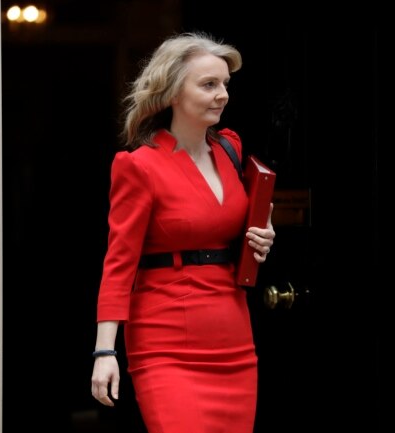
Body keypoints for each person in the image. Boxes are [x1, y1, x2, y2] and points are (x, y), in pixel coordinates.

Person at [90, 32, 275, 433]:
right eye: (208, 84)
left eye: (225, 84)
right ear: (173, 92)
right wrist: (105, 349)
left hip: (232, 336)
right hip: (166, 343)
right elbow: (119, 263)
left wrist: (262, 233)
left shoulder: (230, 148)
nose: (222, 94)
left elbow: (230, 222)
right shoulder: (139, 166)